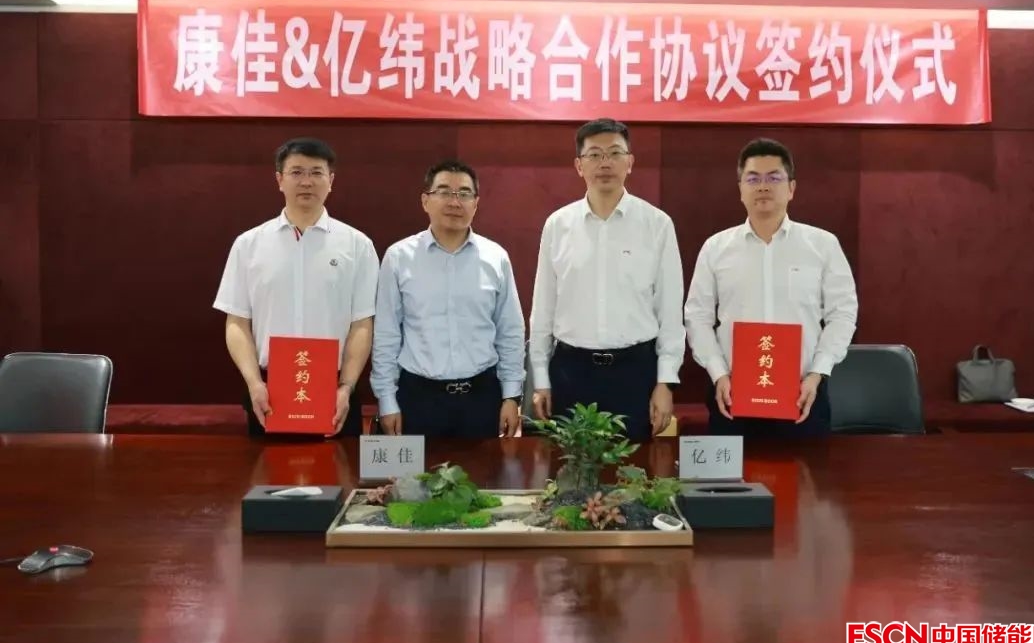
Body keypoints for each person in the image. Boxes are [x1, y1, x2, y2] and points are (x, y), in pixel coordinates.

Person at [684, 137, 857, 437]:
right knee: (734, 469)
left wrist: (818, 373)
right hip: (731, 394)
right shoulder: (716, 248)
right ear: (740, 189)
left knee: (807, 468)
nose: (763, 186)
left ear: (791, 188)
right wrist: (718, 373)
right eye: (753, 179)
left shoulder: (823, 245)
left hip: (803, 394)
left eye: (774, 178)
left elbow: (842, 314)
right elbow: (697, 316)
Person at [529, 117, 685, 441]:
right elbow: (543, 309)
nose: (605, 163)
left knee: (633, 470)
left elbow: (670, 312)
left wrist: (665, 382)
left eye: (615, 153)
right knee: (570, 469)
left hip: (635, 373)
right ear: (579, 165)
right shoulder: (558, 225)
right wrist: (541, 379)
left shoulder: (657, 224)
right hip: (571, 373)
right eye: (594, 154)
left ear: (630, 162)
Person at [213, 137, 378, 438]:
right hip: (268, 393)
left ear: (331, 181)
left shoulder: (358, 245)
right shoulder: (249, 244)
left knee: (340, 468)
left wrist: (346, 387)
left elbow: (362, 325)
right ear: (279, 179)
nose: (306, 182)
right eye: (297, 172)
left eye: (316, 173)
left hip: (336, 393)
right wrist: (254, 383)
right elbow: (236, 322)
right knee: (267, 469)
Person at [370, 160, 526, 438]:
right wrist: (386, 399)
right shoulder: (398, 257)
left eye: (464, 193)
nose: (455, 202)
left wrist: (512, 395)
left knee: (486, 468)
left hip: (482, 397)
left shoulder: (495, 257)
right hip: (418, 398)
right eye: (444, 192)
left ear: (476, 203)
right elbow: (387, 334)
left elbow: (510, 331)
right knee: (416, 469)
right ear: (425, 201)